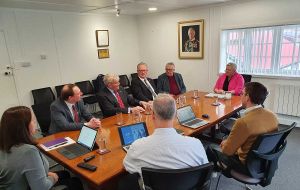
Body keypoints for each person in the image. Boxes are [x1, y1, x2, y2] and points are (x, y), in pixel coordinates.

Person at [121, 94, 208, 189]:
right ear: (175, 115)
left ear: (153, 116)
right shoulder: (196, 144)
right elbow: (205, 168)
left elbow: (127, 167)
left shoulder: (137, 146)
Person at [0, 106, 83, 190]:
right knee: (75, 182)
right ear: (23, 126)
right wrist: (53, 177)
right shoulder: (29, 152)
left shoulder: (4, 144)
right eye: (32, 120)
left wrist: (46, 175)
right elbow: (41, 188)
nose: (35, 122)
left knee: (65, 173)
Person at [207, 82, 278, 174]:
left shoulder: (243, 122)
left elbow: (227, 151)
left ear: (247, 97)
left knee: (210, 148)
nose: (241, 96)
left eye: (242, 93)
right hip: (265, 162)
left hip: (246, 167)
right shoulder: (273, 116)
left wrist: (226, 143)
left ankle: (211, 175)